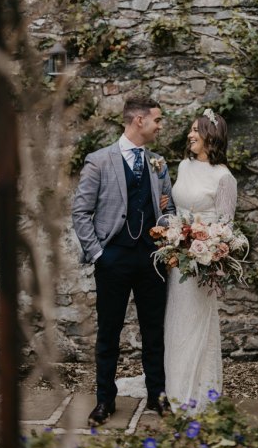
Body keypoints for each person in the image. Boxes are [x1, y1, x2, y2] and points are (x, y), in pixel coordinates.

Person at [72, 96, 175, 426]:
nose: (160, 126)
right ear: (139, 121)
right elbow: (81, 212)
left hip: (152, 260)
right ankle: (105, 401)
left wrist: (169, 233)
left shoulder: (158, 163)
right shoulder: (99, 161)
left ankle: (158, 397)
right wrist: (99, 253)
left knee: (154, 332)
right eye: (157, 120)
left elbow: (168, 210)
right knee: (108, 334)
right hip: (113, 259)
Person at [164, 108, 237, 413]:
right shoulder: (183, 165)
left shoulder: (224, 178)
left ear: (211, 136)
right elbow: (177, 206)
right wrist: (172, 232)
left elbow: (226, 227)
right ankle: (173, 384)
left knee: (196, 324)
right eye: (191, 129)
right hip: (177, 259)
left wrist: (208, 249)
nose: (190, 134)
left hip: (202, 264)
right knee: (176, 321)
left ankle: (195, 388)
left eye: (197, 130)